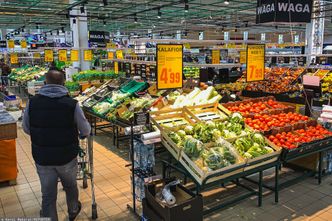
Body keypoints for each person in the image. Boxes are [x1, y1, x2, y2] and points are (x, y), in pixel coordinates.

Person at [23, 69, 91, 221]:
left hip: (43, 157)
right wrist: (81, 134)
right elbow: (85, 129)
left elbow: (26, 128)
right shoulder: (72, 104)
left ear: (45, 83)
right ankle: (73, 210)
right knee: (70, 186)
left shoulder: (32, 103)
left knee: (48, 194)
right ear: (63, 83)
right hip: (67, 156)